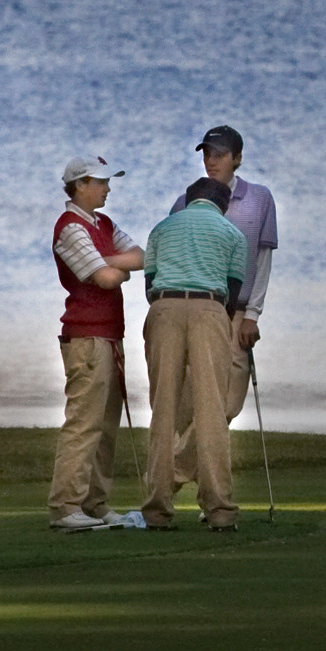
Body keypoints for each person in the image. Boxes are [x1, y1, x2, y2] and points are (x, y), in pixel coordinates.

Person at [139, 174, 250, 532]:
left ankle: (157, 509)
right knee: (212, 410)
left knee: (163, 409)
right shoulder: (232, 234)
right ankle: (219, 509)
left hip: (164, 308)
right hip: (209, 309)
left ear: (189, 201)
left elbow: (149, 280)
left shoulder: (162, 228)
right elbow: (233, 294)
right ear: (224, 205)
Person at [174, 124, 280, 489]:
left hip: (237, 315)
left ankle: (169, 475)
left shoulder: (260, 199)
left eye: (219, 154)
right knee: (193, 404)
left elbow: (263, 260)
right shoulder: (189, 199)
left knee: (228, 405)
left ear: (237, 158)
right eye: (206, 154)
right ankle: (209, 495)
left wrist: (253, 314)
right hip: (199, 312)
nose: (211, 161)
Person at [46, 155, 145, 533]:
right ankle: (66, 506)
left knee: (106, 426)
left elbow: (141, 256)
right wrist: (114, 268)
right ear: (81, 184)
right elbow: (104, 278)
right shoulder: (70, 228)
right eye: (101, 181)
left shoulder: (102, 223)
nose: (108, 187)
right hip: (85, 336)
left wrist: (109, 263)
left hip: (109, 335)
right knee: (84, 423)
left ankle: (94, 502)